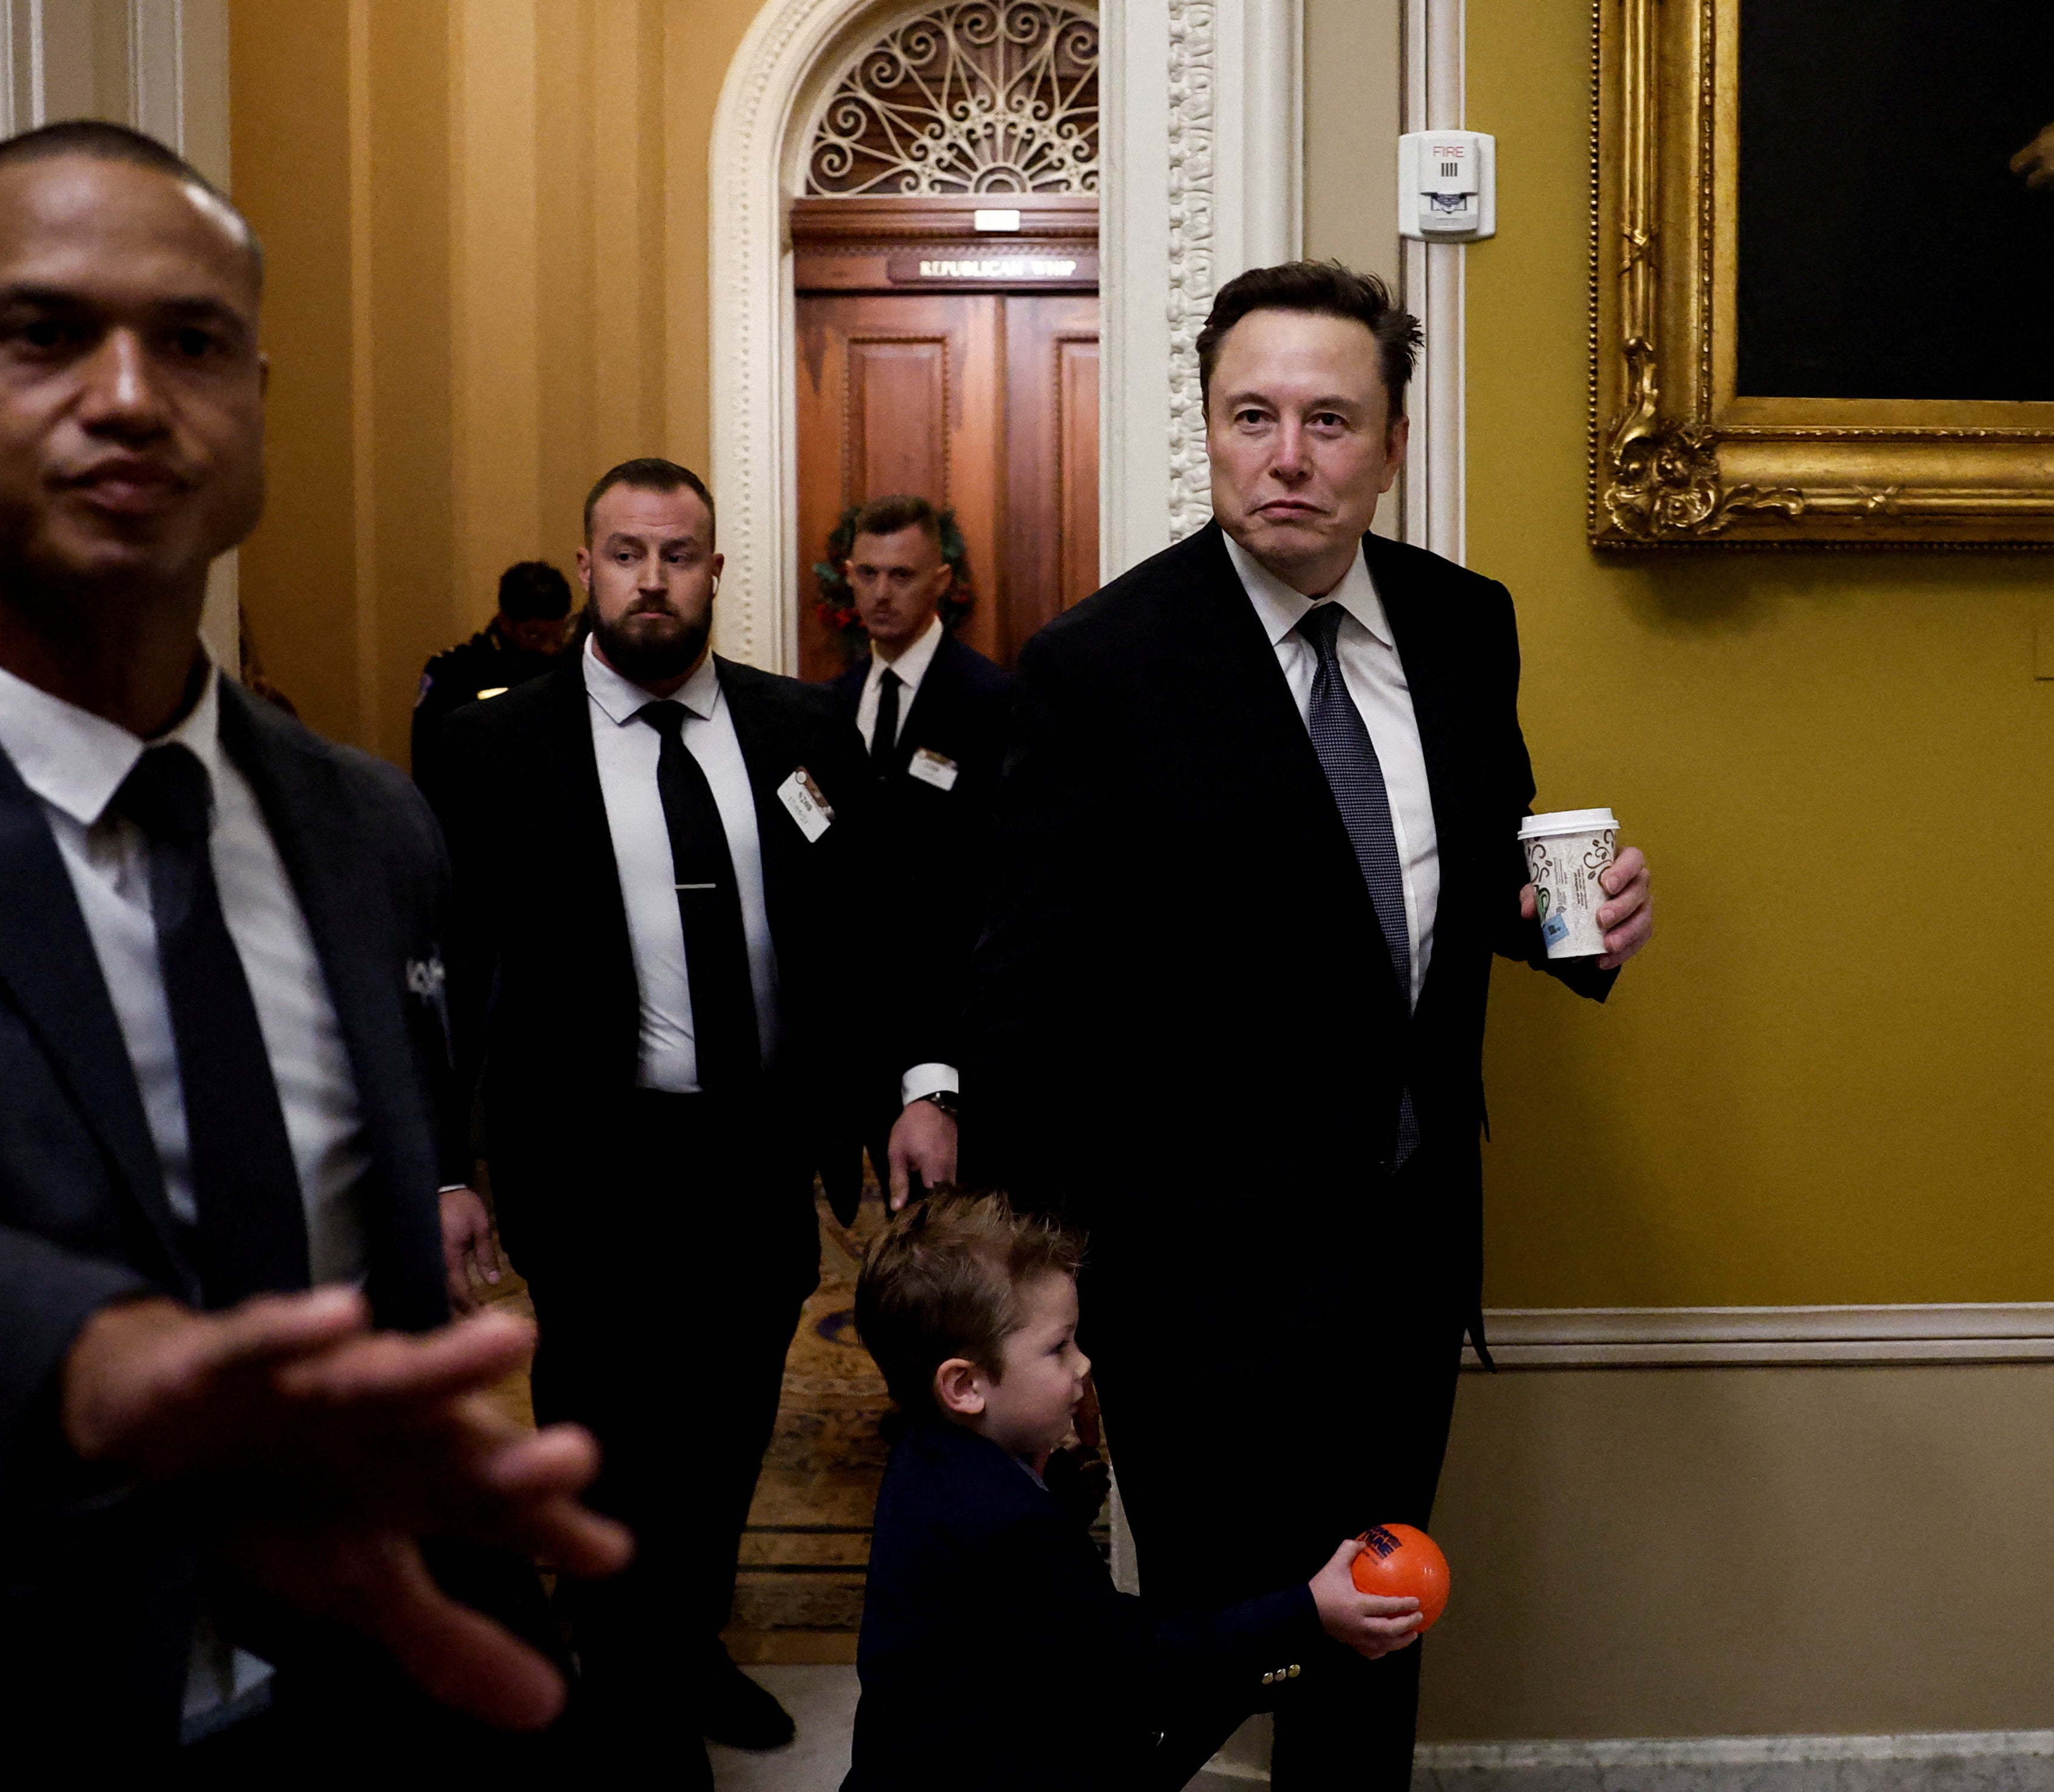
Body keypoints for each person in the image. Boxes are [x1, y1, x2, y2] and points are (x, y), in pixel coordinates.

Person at [0, 121, 626, 1777]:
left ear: (257, 402)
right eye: (43, 333)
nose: (131, 394)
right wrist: (73, 1358)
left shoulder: (363, 829)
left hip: (361, 1700)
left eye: (194, 343)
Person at [967, 261, 1656, 1788]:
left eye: (1329, 419)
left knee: (1379, 1618)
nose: (1287, 453)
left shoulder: (1465, 624)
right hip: (1188, 1274)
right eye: (1251, 415)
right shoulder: (1100, 665)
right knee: (1214, 1645)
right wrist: (1035, 1293)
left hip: (1405, 1255)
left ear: (1389, 443)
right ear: (1208, 431)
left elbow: (1468, 869)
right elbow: (1027, 999)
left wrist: (1582, 927)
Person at [433, 458, 962, 1787]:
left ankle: (684, 1636)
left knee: (729, 1427)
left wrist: (918, 1082)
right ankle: (635, 1707)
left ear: (717, 571)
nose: (652, 581)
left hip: (758, 1153)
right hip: (592, 1162)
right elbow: (442, 969)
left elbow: (875, 932)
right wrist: (447, 1163)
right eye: (626, 555)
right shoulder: (499, 745)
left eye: (678, 556)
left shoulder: (800, 732)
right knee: (613, 1436)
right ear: (589, 563)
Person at [844, 1191, 1422, 1791]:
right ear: (964, 1385)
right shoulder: (1010, 1523)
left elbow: (996, 1604)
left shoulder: (926, 1456)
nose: (1083, 1363)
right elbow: (1140, 1666)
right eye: (1058, 1345)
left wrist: (1063, 1491)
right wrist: (1309, 1609)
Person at [822, 494, 1013, 1191]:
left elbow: (997, 885)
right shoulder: (829, 705)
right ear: (847, 575)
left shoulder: (993, 701)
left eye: (901, 575)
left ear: (940, 580)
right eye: (867, 573)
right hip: (859, 1028)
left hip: (957, 1020)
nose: (880, 592)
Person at [411, 559, 576, 795]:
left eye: (557, 636)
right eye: (535, 636)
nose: (549, 648)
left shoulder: (569, 667)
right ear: (505, 622)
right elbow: (430, 764)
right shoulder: (454, 673)